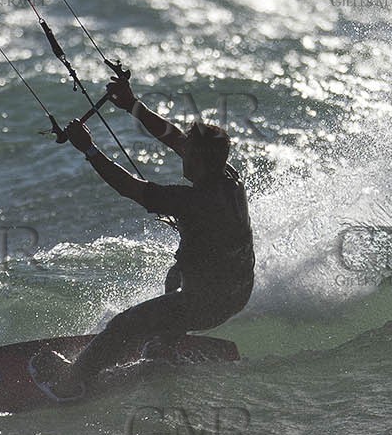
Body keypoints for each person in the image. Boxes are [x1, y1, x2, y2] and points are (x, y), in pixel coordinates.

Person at [33, 77, 254, 399]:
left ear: (199, 160)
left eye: (187, 154)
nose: (181, 155)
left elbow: (130, 188)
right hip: (238, 292)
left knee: (125, 324)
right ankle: (164, 345)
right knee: (176, 272)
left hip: (208, 303)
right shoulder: (227, 177)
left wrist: (90, 149)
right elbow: (175, 138)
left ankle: (70, 382)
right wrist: (132, 104)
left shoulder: (193, 201)